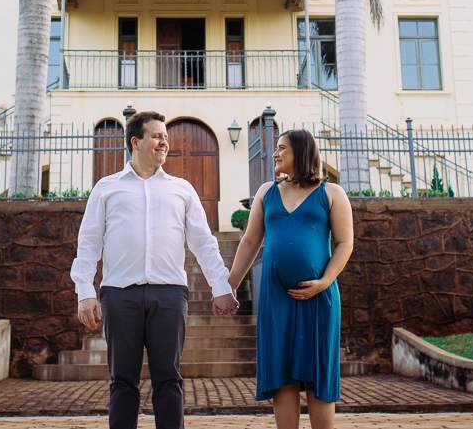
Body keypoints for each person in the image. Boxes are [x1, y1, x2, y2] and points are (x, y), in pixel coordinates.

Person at [71, 110, 240, 429]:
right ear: (136, 141)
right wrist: (84, 292)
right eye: (157, 136)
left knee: (169, 379)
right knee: (122, 381)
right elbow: (89, 243)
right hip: (119, 296)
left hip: (169, 295)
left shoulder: (182, 189)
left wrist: (221, 287)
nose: (165, 142)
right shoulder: (107, 188)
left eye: (166, 137)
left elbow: (203, 242)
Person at [227, 129, 354, 429]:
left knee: (318, 374)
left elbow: (345, 243)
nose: (275, 152)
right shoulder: (265, 192)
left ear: (301, 152)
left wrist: (324, 282)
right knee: (281, 374)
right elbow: (249, 242)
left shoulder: (332, 193)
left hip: (319, 299)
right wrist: (228, 286)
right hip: (276, 299)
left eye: (282, 147)